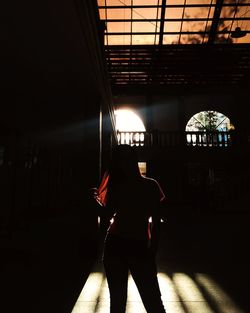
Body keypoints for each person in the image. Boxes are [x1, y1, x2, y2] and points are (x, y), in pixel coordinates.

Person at [94, 144, 166, 313]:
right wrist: (153, 251)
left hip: (116, 244)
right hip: (139, 244)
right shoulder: (151, 186)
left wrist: (94, 200)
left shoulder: (116, 186)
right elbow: (156, 222)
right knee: (153, 301)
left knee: (118, 303)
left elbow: (106, 215)